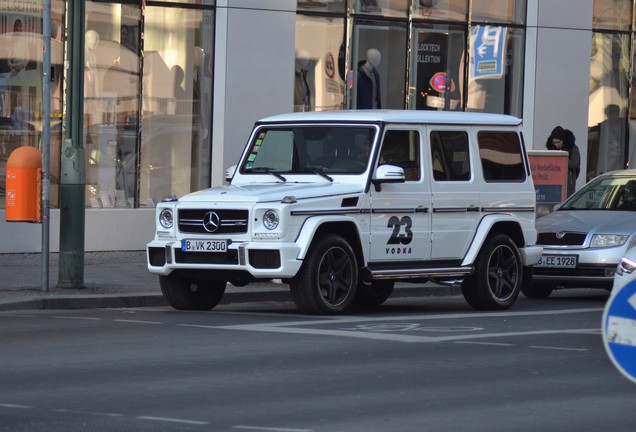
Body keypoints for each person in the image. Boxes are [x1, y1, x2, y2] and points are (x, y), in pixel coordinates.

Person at [546, 126, 580, 197]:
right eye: (554, 143)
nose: (556, 145)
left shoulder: (573, 148)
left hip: (568, 183)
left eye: (558, 142)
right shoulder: (552, 148)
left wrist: (562, 158)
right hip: (554, 181)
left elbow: (575, 164)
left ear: (563, 140)